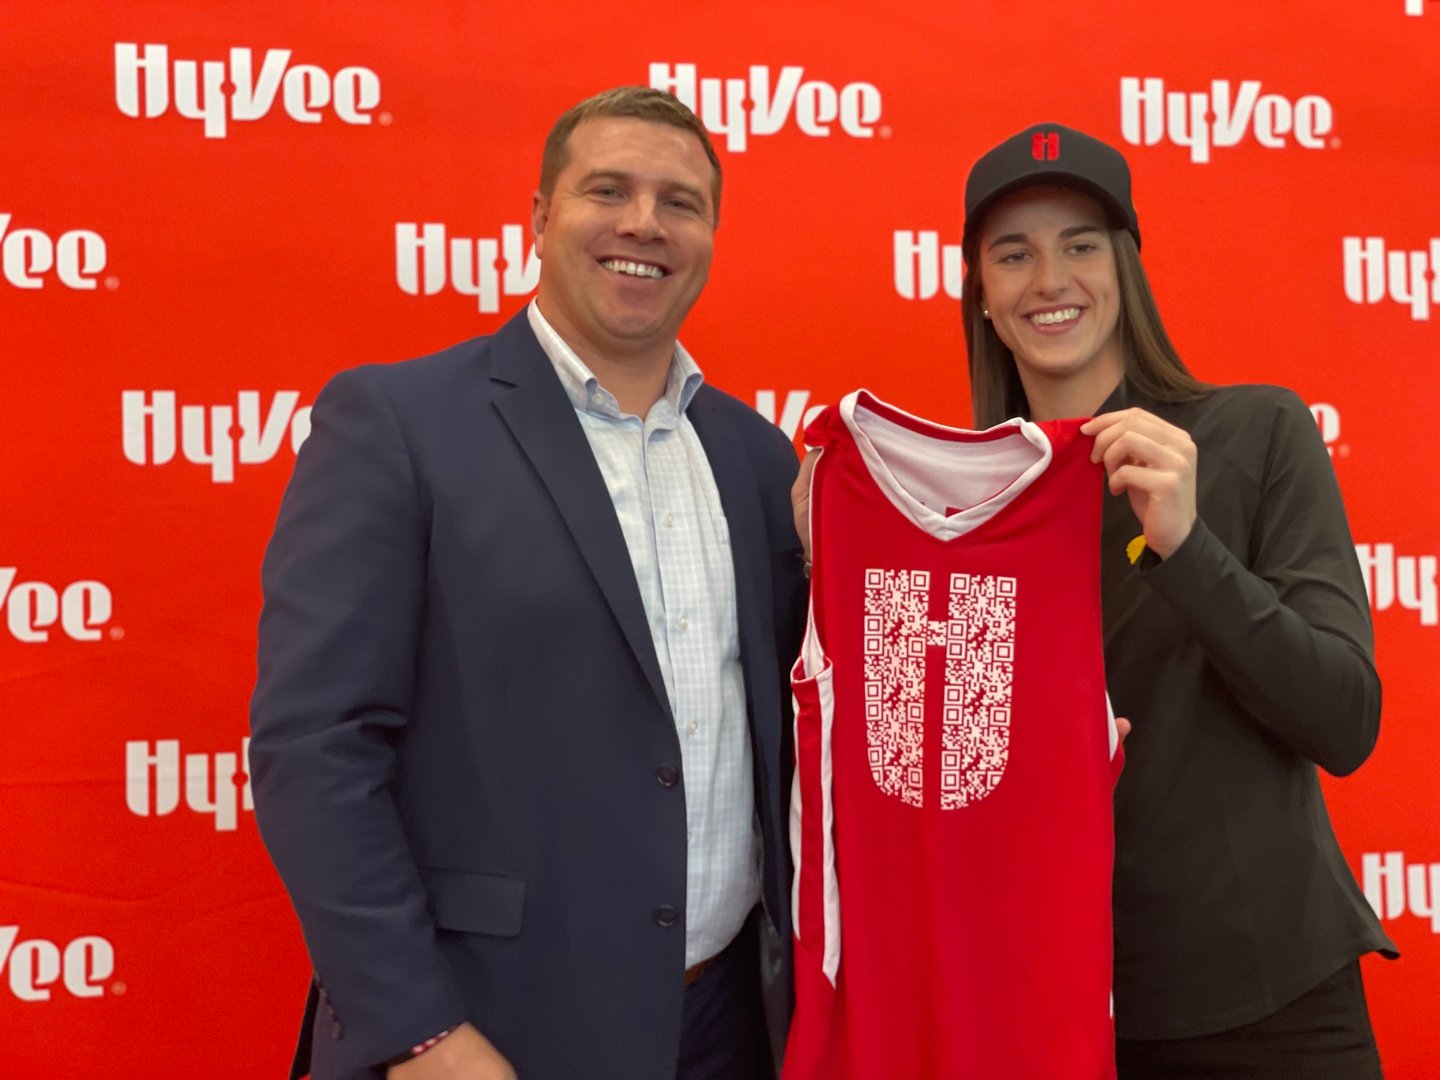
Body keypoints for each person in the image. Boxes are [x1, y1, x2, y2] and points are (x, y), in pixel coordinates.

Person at [794, 122, 1394, 1078]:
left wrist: (1187, 546)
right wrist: (843, 571)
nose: (1049, 280)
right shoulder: (958, 520)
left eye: (1080, 245)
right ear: (981, 297)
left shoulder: (1253, 432)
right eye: (1013, 255)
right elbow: (924, 778)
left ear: (1126, 270)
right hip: (1035, 1011)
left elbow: (1344, 719)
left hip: (1262, 1002)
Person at [250, 86, 807, 1080]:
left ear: (712, 235)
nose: (644, 222)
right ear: (541, 217)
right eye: (608, 190)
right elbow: (315, 749)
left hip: (726, 1025)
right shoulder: (397, 423)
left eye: (680, 202)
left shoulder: (760, 461)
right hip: (484, 1033)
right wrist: (416, 1031)